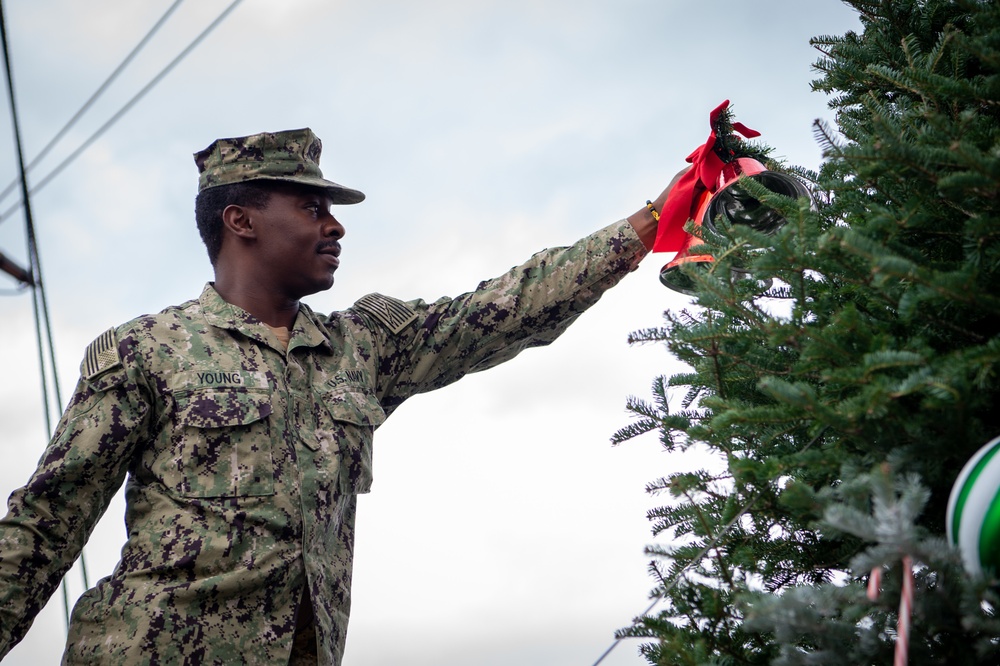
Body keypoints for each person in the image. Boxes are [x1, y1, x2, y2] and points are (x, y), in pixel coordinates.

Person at [0, 128, 672, 665]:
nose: (335, 226)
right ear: (241, 220)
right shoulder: (147, 349)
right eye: (311, 207)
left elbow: (503, 308)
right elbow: (45, 524)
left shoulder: (360, 348)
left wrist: (649, 223)